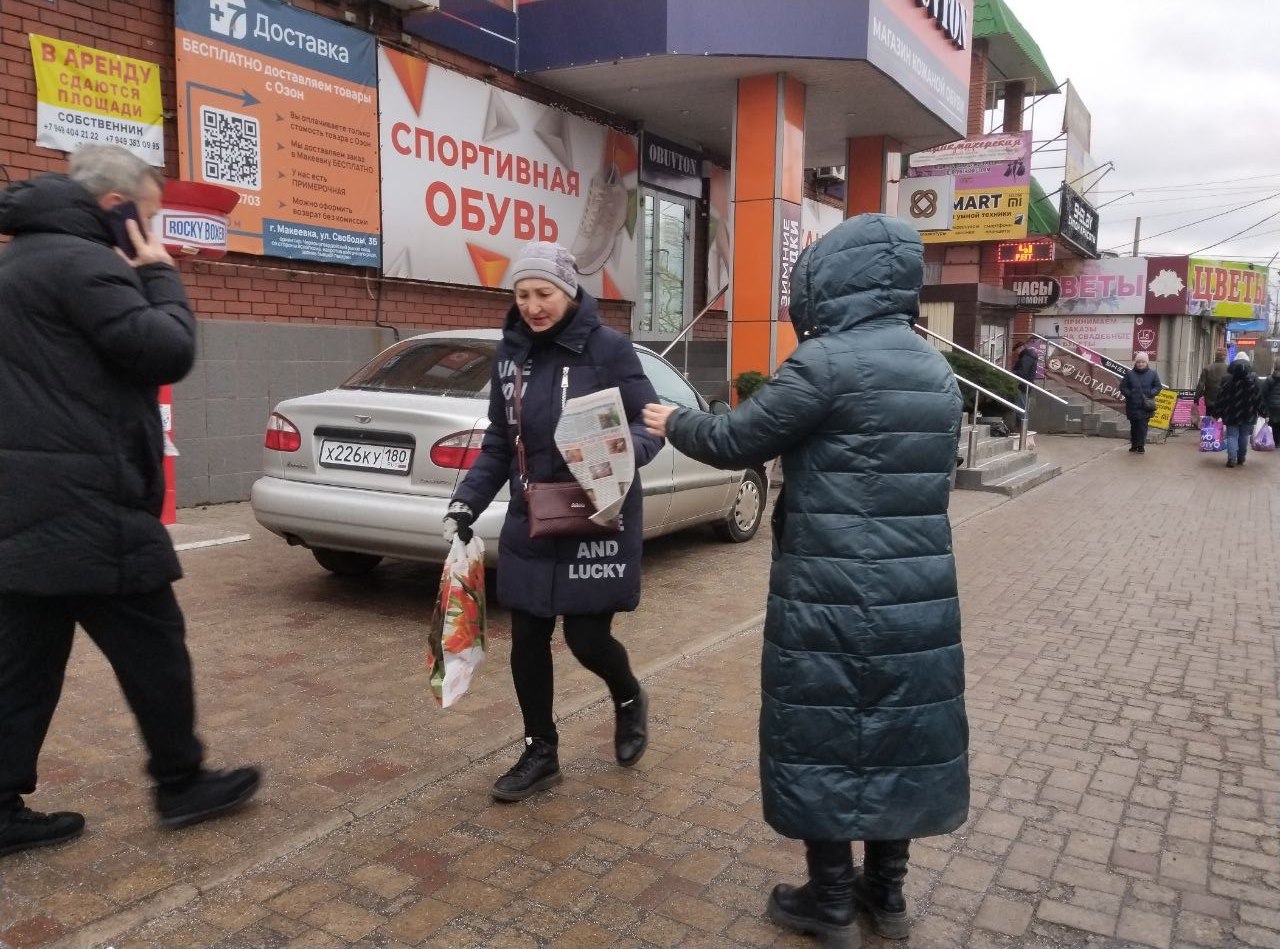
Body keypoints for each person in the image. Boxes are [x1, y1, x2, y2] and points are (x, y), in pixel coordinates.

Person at [643, 214, 968, 947]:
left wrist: (673, 422)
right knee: (898, 736)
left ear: (832, 283)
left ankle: (828, 901)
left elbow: (737, 439)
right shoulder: (934, 369)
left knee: (825, 733)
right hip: (918, 593)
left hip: (830, 591)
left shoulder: (825, 363)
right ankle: (886, 895)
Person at [0, 145, 261, 858]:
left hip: (24, 502)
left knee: (21, 661)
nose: (154, 231)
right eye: (147, 216)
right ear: (116, 208)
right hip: (89, 501)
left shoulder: (18, 261)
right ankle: (182, 782)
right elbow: (164, 350)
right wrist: (160, 277)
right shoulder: (84, 264)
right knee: (155, 651)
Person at [444, 242, 663, 803]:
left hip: (598, 511)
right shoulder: (510, 355)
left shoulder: (609, 349)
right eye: (523, 295)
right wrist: (467, 499)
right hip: (531, 517)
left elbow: (650, 424)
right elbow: (499, 439)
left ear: (568, 292)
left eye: (544, 293)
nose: (534, 306)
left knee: (588, 638)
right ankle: (541, 751)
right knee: (527, 638)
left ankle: (628, 694)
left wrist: (620, 453)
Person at [1215, 352, 1264, 468]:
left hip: (1231, 414)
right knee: (1243, 436)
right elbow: (1258, 398)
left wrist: (1216, 413)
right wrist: (1263, 412)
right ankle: (1241, 458)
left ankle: (1232, 459)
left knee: (1232, 436)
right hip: (1248, 414)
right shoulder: (1252, 381)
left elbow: (1220, 398)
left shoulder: (1227, 380)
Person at [1119, 352, 1162, 454]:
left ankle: (1141, 445)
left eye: (1143, 362)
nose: (1140, 364)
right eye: (1138, 362)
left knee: (1143, 426)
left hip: (1145, 405)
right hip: (1132, 405)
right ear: (1136, 363)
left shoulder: (1153, 373)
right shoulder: (1130, 374)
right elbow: (1123, 387)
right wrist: (1130, 394)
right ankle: (1134, 444)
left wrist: (1151, 393)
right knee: (1134, 426)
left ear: (1147, 363)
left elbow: (1158, 386)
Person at [1193, 347, 1229, 420]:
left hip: (1209, 400)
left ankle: (1209, 430)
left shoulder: (1207, 368)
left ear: (1215, 356)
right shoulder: (1229, 369)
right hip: (1223, 401)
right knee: (1221, 423)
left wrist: (1196, 398)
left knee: (1209, 420)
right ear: (1225, 357)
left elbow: (1200, 385)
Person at [1010, 341, 1039, 409]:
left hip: (1022, 385)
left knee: (1021, 406)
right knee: (1022, 405)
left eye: (1016, 350)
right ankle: (1022, 418)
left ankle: (1021, 419)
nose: (1016, 353)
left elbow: (1022, 372)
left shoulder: (1027, 357)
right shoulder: (1028, 356)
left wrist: (1012, 373)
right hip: (1025, 384)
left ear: (1020, 348)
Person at [1259, 363, 1280, 445]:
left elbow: (1263, 394)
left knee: (1274, 425)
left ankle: (1275, 441)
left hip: (1272, 406)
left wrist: (1263, 409)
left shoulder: (1269, 380)